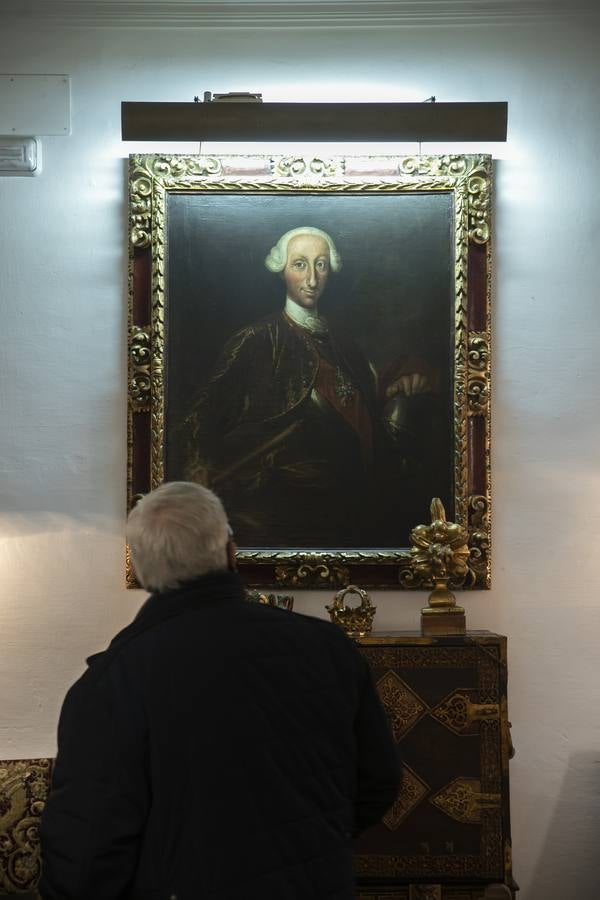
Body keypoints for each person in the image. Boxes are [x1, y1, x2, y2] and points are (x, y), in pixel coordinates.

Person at [40, 481, 402, 900]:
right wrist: (315, 844)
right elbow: (380, 781)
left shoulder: (112, 684)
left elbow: (86, 852)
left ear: (140, 570)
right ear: (230, 550)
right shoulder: (329, 648)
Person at [181, 227, 433, 548]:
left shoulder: (343, 341)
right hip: (288, 506)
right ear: (281, 270)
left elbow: (362, 404)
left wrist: (398, 388)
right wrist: (197, 469)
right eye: (300, 264)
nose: (312, 278)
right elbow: (202, 412)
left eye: (321, 265)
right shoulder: (257, 339)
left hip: (356, 502)